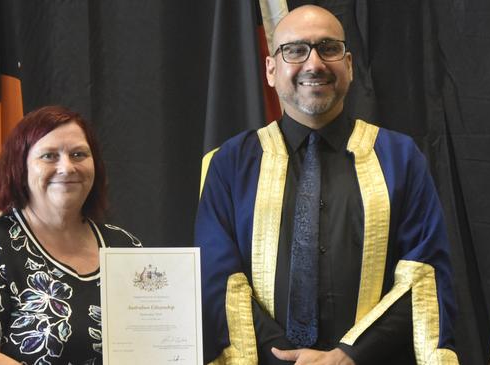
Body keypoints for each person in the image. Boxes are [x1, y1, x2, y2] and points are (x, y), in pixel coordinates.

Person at [196, 5, 458, 365]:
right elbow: (219, 280)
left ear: (349, 65)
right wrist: (287, 358)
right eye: (295, 50)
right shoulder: (230, 164)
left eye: (329, 48)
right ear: (271, 69)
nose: (314, 64)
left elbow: (423, 274)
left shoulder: (400, 158)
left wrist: (348, 355)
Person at [0, 106, 141, 364]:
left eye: (78, 154)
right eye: (49, 156)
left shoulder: (124, 247)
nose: (67, 167)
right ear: (20, 169)